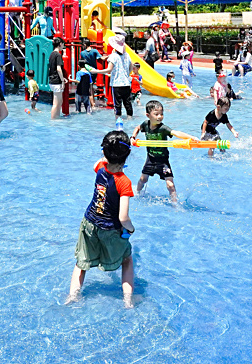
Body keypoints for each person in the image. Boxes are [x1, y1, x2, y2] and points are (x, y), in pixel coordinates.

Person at [67, 130, 136, 308]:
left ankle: (73, 296)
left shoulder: (100, 169)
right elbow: (123, 217)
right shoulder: (124, 182)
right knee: (126, 259)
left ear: (104, 153)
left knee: (81, 263)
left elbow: (96, 164)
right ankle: (128, 301)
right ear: (127, 157)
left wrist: (107, 156)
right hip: (110, 229)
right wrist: (130, 229)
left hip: (89, 223)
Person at [131, 100, 198, 203]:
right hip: (150, 158)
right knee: (142, 180)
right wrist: (133, 137)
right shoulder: (145, 124)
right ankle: (136, 195)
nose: (160, 117)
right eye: (156, 114)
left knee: (170, 185)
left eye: (161, 114)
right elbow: (137, 128)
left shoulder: (163, 128)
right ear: (148, 115)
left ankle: (175, 204)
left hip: (163, 161)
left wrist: (191, 137)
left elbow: (176, 133)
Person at [96, 32, 134, 129]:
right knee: (127, 103)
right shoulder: (127, 55)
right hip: (126, 83)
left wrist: (97, 71)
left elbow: (109, 69)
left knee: (117, 105)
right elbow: (131, 67)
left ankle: (118, 124)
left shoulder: (113, 56)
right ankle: (130, 121)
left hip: (117, 84)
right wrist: (127, 74)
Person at [48, 37, 67, 118]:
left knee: (59, 102)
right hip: (56, 81)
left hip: (52, 80)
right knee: (56, 103)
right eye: (63, 44)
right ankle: (53, 119)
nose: (63, 46)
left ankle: (57, 117)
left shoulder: (52, 54)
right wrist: (62, 81)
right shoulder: (58, 55)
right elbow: (58, 69)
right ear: (60, 44)